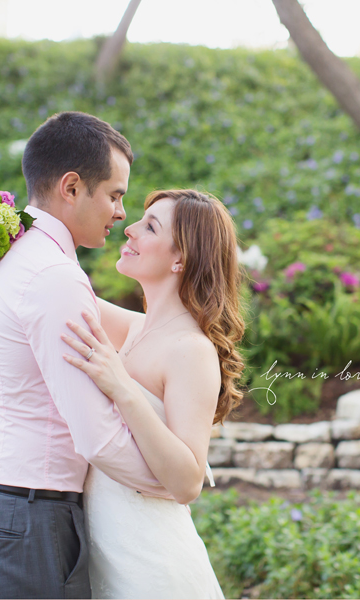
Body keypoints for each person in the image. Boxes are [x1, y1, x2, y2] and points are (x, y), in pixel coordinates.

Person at [0, 111, 175, 599]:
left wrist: (199, 342)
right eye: (115, 195)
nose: (120, 213)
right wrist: (170, 485)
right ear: (71, 187)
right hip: (25, 519)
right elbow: (97, 438)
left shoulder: (15, 253)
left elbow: (141, 329)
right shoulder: (53, 276)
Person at [61, 189, 246, 599]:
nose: (129, 228)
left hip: (150, 564)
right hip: (106, 550)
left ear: (181, 258)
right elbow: (60, 291)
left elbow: (187, 481)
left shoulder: (191, 349)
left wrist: (122, 387)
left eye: (150, 226)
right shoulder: (135, 328)